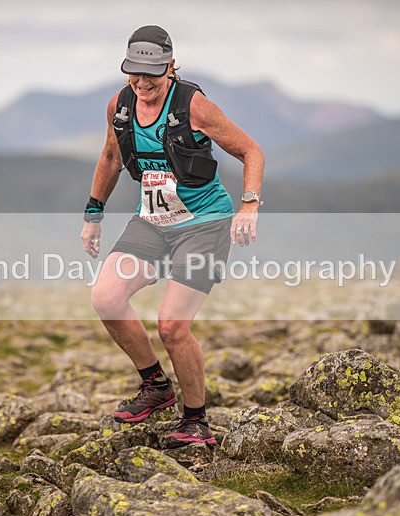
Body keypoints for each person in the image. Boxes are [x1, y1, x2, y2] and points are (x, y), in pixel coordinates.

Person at [80, 25, 264, 448]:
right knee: (106, 297)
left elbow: (251, 151)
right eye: (134, 72)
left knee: (173, 327)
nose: (142, 81)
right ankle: (156, 386)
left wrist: (249, 205)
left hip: (204, 224)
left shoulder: (194, 106)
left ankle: (196, 421)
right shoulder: (119, 106)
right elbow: (110, 157)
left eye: (152, 73)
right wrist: (93, 213)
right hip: (153, 221)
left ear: (170, 67)